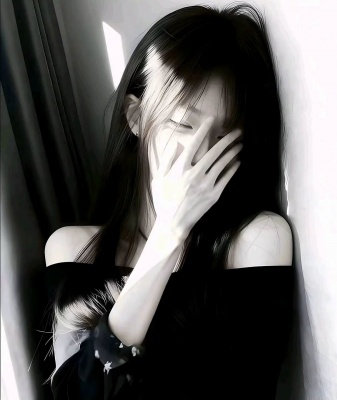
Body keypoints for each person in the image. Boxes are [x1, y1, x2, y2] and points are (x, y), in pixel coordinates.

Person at [44, 3, 294, 399]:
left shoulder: (257, 241)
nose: (200, 151)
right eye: (183, 123)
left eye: (223, 137)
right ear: (135, 117)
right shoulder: (74, 249)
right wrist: (169, 233)